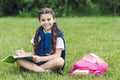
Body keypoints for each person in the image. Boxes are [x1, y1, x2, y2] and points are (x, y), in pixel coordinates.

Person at [16, 8, 66, 74]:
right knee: (18, 59)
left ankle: (33, 69)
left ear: (54, 20)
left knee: (60, 61)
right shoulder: (37, 35)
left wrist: (41, 59)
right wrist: (23, 54)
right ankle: (45, 71)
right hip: (37, 61)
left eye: (49, 19)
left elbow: (57, 55)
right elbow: (33, 53)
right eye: (43, 20)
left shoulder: (58, 36)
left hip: (50, 62)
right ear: (39, 21)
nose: (46, 22)